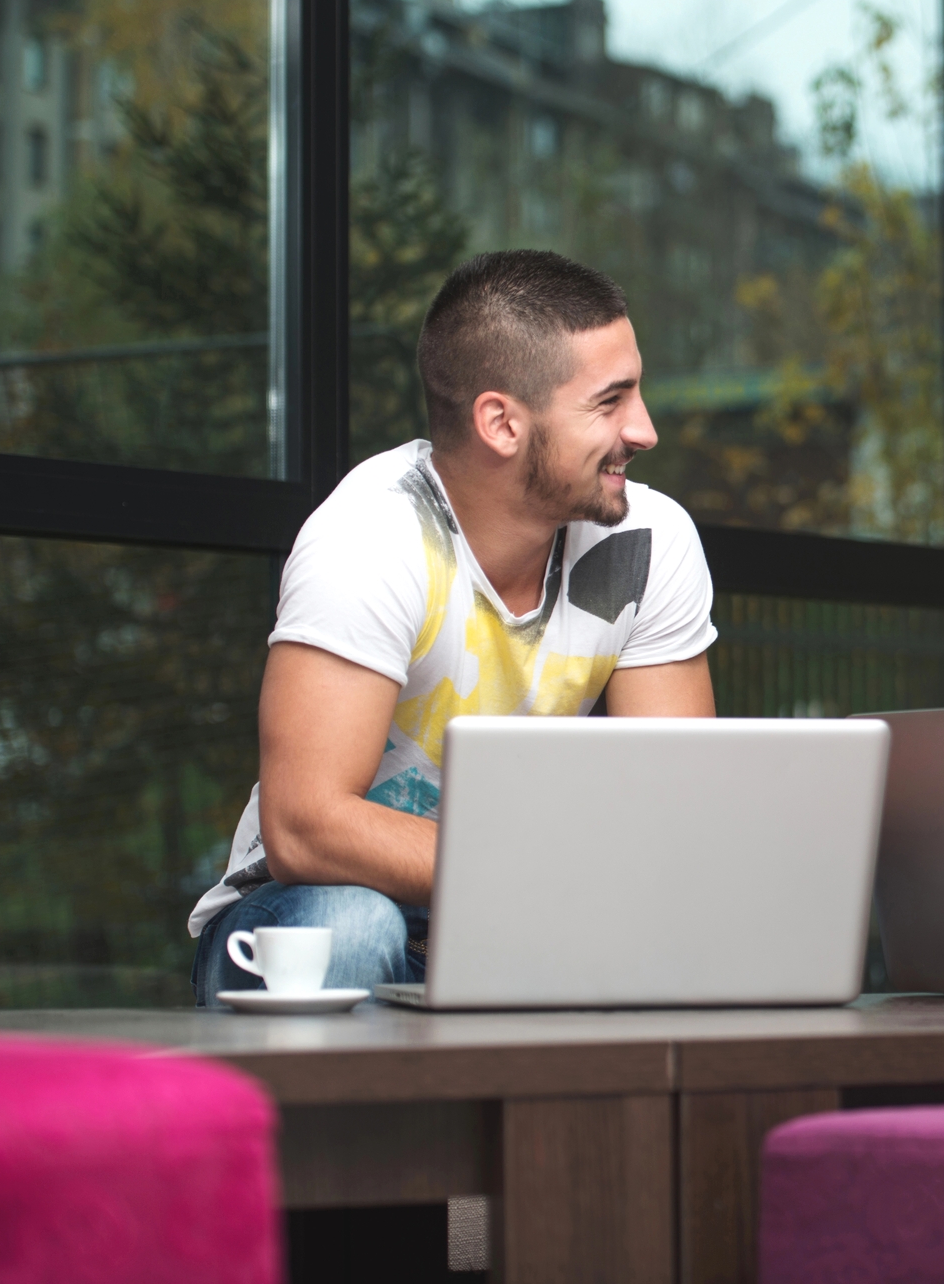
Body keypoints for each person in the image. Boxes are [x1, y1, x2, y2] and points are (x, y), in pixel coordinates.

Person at [190, 250, 717, 1002]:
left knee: (675, 941)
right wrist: (546, 872)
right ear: (501, 421)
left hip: (515, 926)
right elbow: (304, 826)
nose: (645, 429)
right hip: (297, 921)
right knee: (356, 924)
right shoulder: (373, 537)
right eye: (611, 401)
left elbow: (681, 814)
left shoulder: (647, 541)